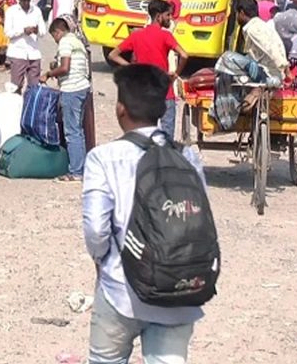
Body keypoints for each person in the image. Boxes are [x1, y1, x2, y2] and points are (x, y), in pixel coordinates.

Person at [83, 64, 206, 364]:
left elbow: (97, 229)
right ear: (162, 110)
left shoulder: (103, 158)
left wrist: (102, 261)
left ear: (120, 109)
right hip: (178, 289)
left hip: (120, 288)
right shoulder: (188, 156)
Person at [108, 0, 188, 138]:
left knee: (142, 136)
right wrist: (175, 74)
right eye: (168, 15)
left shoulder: (136, 35)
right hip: (165, 92)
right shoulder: (165, 35)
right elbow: (184, 55)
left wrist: (133, 67)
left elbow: (112, 55)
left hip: (143, 94)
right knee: (167, 139)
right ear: (158, 16)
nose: (170, 18)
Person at [41, 17, 92, 182]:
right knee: (78, 130)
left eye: (54, 36)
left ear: (58, 32)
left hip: (72, 88)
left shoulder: (64, 42)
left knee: (72, 132)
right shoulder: (76, 41)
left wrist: (48, 74)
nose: (55, 41)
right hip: (83, 86)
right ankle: (81, 168)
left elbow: (65, 67)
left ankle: (76, 171)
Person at [4, 0, 47, 92]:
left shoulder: (36, 11)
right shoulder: (11, 11)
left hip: (33, 53)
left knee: (34, 87)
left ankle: (29, 107)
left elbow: (43, 31)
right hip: (17, 53)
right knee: (16, 86)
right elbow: (8, 32)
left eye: (27, 0)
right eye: (23, 0)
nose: (26, 3)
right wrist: (23, 31)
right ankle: (16, 107)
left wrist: (37, 31)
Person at [237, 0, 290, 81]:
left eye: (237, 14)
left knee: (227, 58)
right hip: (268, 70)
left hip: (268, 73)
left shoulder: (253, 29)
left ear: (242, 13)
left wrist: (285, 68)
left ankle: (225, 94)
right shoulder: (259, 25)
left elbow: (270, 48)